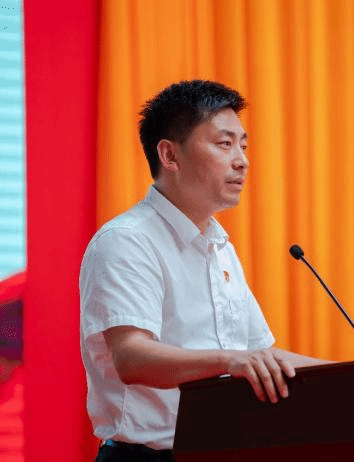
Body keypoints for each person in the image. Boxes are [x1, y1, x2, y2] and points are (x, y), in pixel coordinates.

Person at [80, 80, 325, 461]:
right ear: (170, 155)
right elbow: (131, 356)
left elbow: (260, 355)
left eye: (243, 146)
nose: (242, 161)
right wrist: (228, 360)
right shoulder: (127, 240)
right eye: (225, 144)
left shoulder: (218, 246)